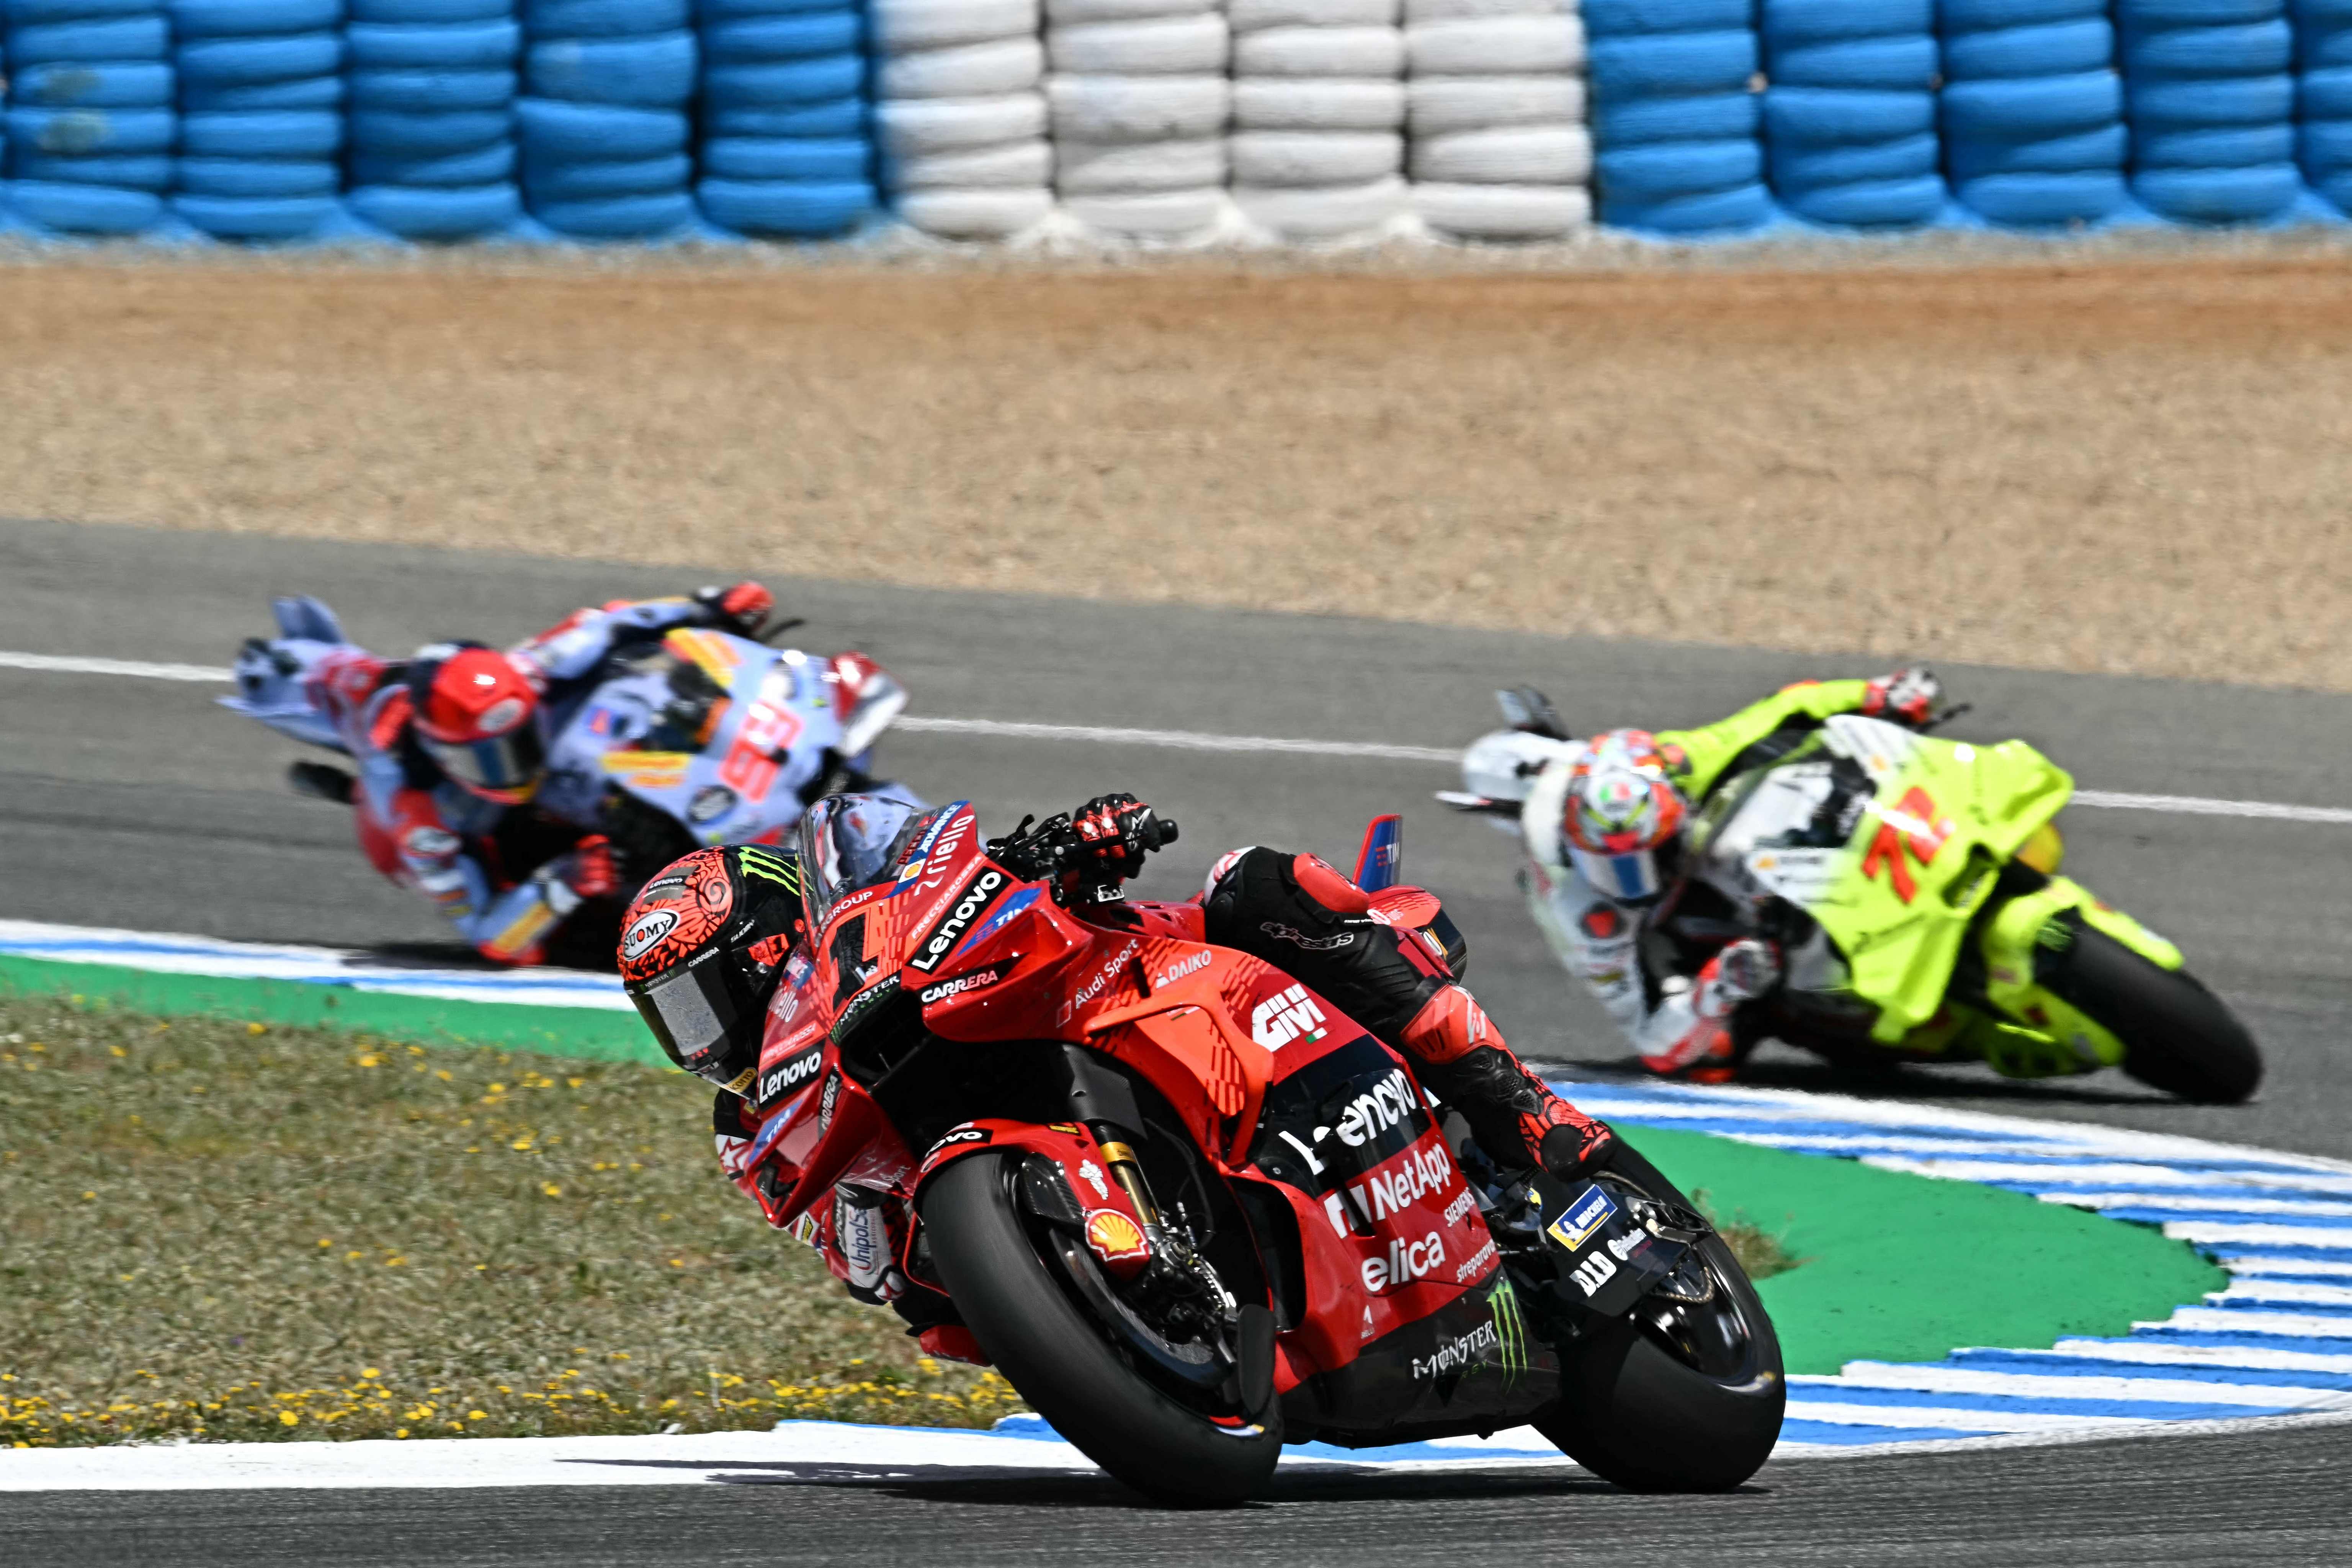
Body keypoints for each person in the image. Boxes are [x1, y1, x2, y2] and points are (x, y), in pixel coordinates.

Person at [618, 795, 1620, 1326]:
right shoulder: (753, 1131)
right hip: (1023, 1232)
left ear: (768, 945)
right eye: (671, 1019)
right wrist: (876, 1229)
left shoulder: (872, 928)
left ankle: (1524, 1110)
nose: (697, 1038)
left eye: (700, 1000)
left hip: (1152, 976)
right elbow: (866, 1269)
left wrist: (1073, 842)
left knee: (1258, 883)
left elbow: (958, 872)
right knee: (931, 1309)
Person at [225, 582, 779, 965]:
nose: (513, 762)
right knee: (565, 928)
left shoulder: (527, 669)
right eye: (489, 757)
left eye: (518, 740)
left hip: (412, 711)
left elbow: (610, 622)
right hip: (453, 825)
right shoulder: (417, 814)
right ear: (448, 757)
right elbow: (489, 935)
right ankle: (346, 791)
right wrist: (564, 879)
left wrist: (707, 606)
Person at [1484, 667, 1944, 1082]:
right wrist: (1716, 988)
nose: (1636, 880)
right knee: (1712, 1057)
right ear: (1578, 850)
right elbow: (1653, 1045)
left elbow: (1786, 706)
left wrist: (1876, 694)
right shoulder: (1584, 915)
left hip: (1761, 848)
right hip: (1719, 954)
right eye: (1613, 865)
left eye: (1650, 854)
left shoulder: (1679, 762)